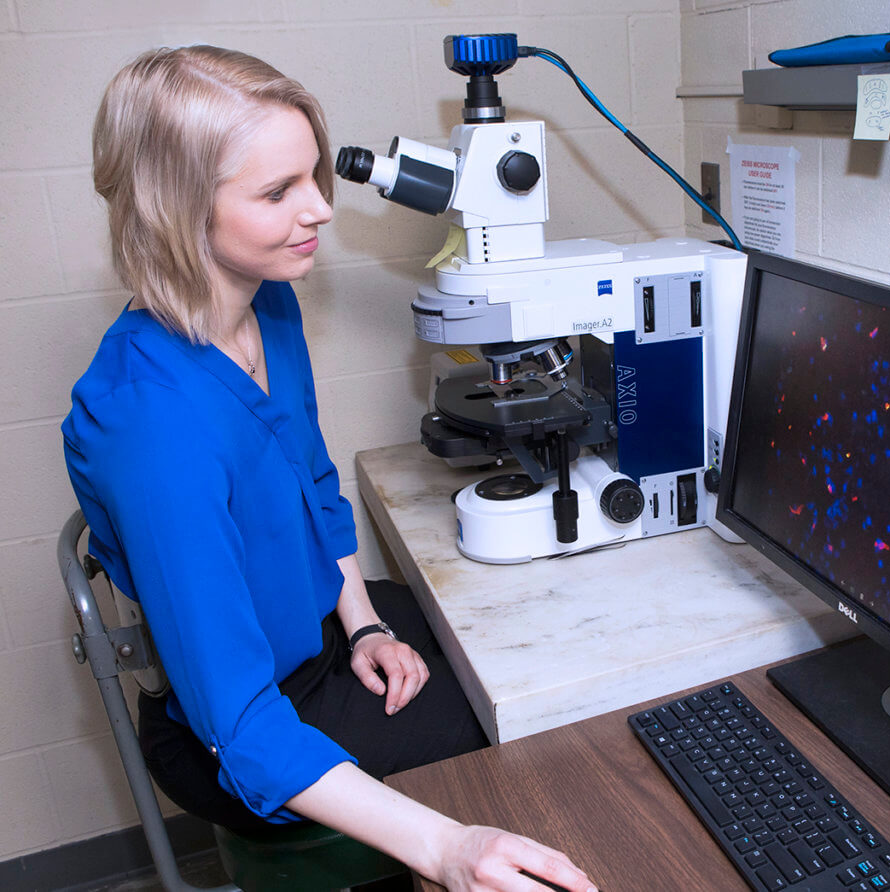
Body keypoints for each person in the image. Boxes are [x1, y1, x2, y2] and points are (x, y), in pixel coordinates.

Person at [62, 45, 596, 892]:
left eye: (313, 175)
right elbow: (236, 723)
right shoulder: (151, 423)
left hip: (315, 639)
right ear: (174, 208)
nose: (319, 210)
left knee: (515, 645)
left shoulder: (266, 300)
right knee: (532, 727)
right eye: (277, 193)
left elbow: (312, 485)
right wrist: (447, 849)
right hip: (242, 721)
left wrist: (365, 626)